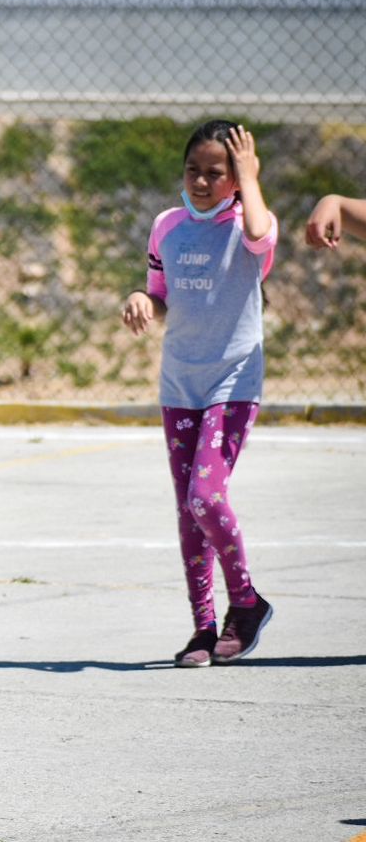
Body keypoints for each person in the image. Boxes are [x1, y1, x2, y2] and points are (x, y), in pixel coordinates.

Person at [121, 121, 277, 668]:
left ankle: (247, 601)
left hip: (233, 382)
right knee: (189, 512)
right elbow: (160, 294)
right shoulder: (168, 226)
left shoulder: (249, 221)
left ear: (237, 178)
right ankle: (203, 629)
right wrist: (144, 299)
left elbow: (259, 235)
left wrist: (251, 179)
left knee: (206, 497)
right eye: (195, 171)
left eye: (218, 173)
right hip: (180, 383)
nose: (204, 181)